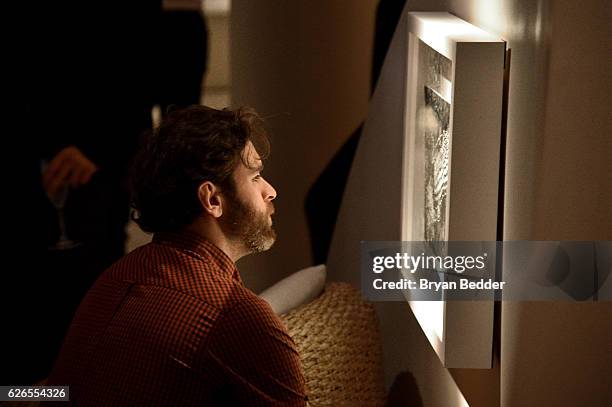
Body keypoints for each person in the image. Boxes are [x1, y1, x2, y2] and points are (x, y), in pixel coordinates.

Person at [47, 105, 308, 406]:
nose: (271, 191)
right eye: (255, 177)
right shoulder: (237, 317)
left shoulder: (114, 278)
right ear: (212, 199)